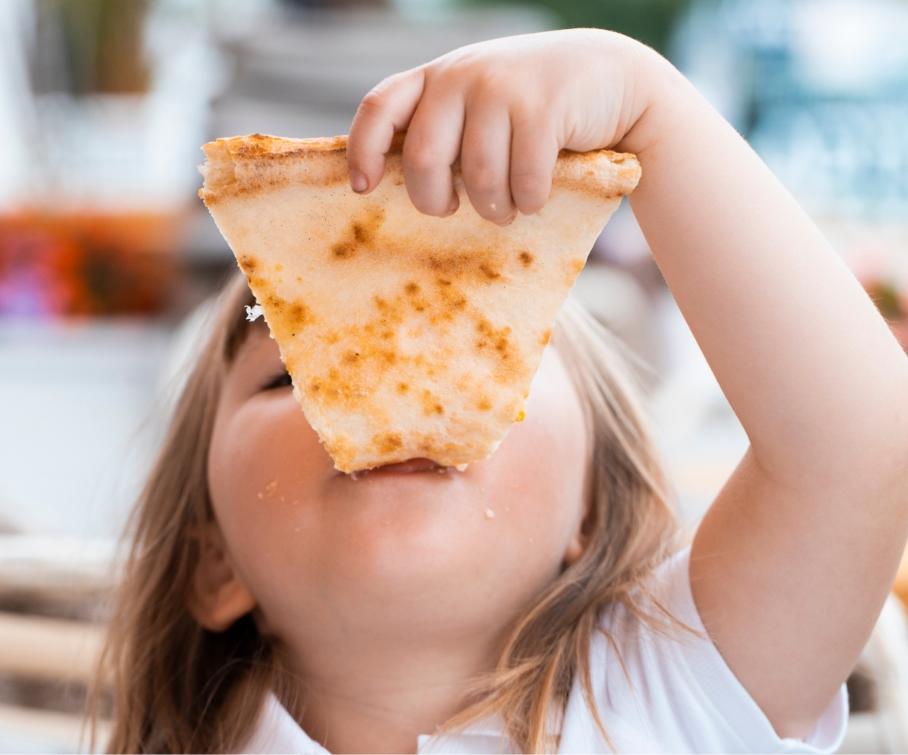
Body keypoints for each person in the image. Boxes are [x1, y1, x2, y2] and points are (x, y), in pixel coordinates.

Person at [89, 28, 908, 753]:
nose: (393, 375)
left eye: (487, 346)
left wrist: (644, 99)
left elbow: (859, 448)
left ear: (590, 510)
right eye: (291, 368)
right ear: (211, 558)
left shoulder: (674, 691)